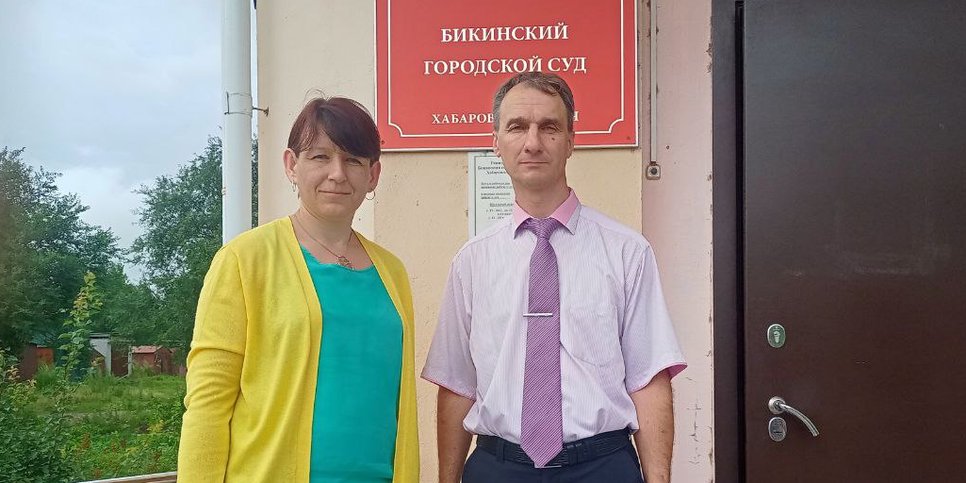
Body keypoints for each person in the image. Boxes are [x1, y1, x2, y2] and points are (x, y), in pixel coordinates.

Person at [421, 72, 687, 483]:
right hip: (498, 468)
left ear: (570, 141)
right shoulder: (471, 262)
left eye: (549, 127)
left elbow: (648, 378)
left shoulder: (627, 252)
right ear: (496, 143)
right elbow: (458, 385)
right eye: (517, 127)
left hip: (603, 466)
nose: (532, 142)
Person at [178, 96, 419, 483]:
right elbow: (208, 403)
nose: (337, 173)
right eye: (320, 157)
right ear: (292, 165)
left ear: (373, 174)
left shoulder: (392, 272)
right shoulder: (245, 260)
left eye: (353, 160)